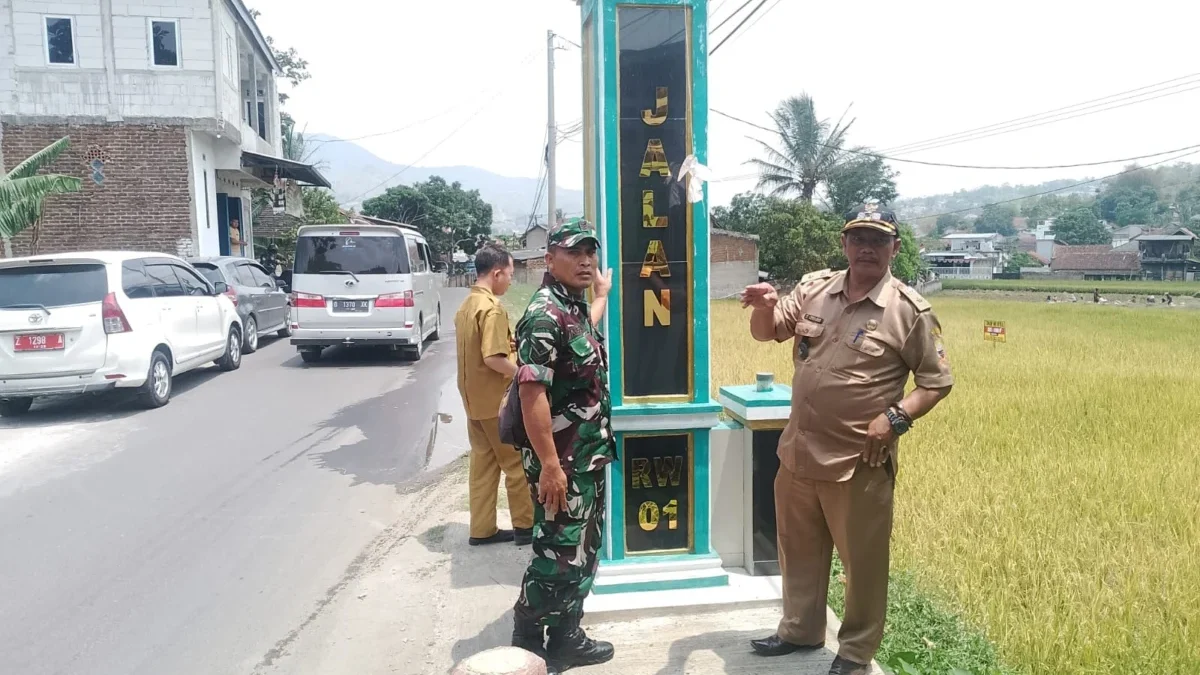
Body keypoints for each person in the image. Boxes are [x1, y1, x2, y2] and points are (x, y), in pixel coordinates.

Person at [740, 203, 955, 675]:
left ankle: (856, 653)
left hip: (859, 460)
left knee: (863, 563)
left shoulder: (908, 311)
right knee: (797, 549)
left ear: (895, 248)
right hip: (798, 451)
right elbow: (768, 332)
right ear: (845, 244)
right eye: (859, 238)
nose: (867, 248)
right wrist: (761, 306)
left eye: (879, 240)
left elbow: (937, 382)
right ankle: (799, 629)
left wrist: (894, 418)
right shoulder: (814, 289)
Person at [510, 218, 616, 671]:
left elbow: (582, 337)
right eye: (575, 252)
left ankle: (567, 636)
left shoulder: (571, 308)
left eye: (590, 252)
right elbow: (531, 395)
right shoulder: (543, 315)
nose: (586, 260)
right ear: (549, 260)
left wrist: (601, 298)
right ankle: (527, 638)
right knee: (556, 553)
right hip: (563, 466)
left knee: (583, 550)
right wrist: (551, 466)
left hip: (587, 459)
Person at [454, 244, 535, 547]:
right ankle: (526, 526)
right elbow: (493, 358)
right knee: (515, 464)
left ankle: (482, 529)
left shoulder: (466, 306)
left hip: (473, 403)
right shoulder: (491, 308)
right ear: (497, 272)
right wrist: (524, 373)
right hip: (495, 403)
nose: (511, 281)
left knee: (484, 467)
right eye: (510, 275)